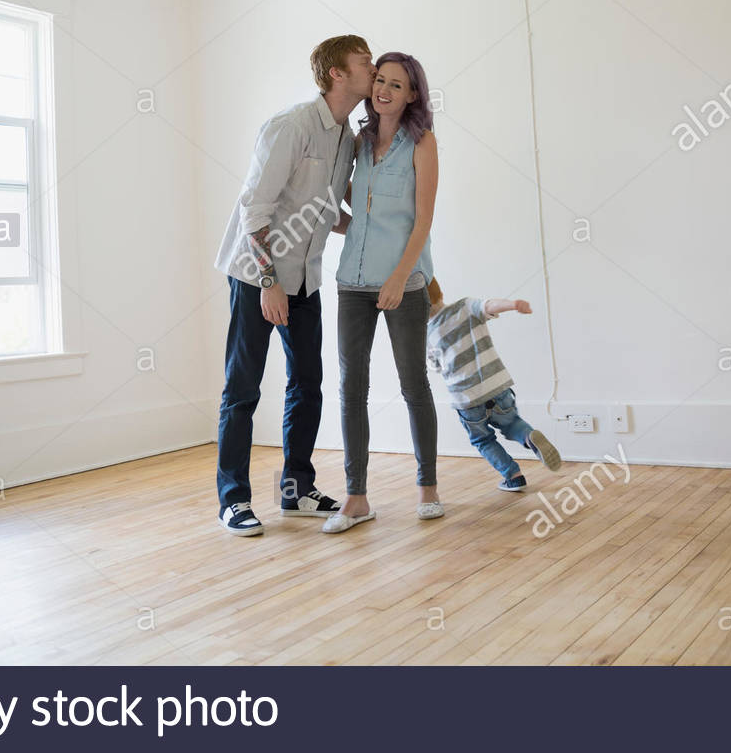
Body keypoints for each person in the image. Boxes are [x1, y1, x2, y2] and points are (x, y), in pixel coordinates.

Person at [211, 35, 376, 535]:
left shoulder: (348, 138)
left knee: (307, 385)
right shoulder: (290, 127)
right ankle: (233, 500)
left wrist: (374, 224)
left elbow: (327, 210)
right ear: (337, 74)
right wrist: (268, 283)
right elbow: (254, 209)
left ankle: (296, 491)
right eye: (365, 62)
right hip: (256, 277)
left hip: (306, 277)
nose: (373, 68)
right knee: (242, 390)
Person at [322, 52, 439, 534]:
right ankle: (356, 499)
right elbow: (355, 207)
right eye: (380, 81)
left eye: (397, 84)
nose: (384, 90)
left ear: (412, 93)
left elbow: (423, 220)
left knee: (414, 385)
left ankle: (428, 487)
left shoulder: (423, 142)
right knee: (352, 388)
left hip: (403, 282)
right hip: (352, 281)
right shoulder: (359, 141)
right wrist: (335, 222)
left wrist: (397, 279)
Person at [425, 277, 562, 490]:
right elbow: (489, 305)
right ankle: (527, 436)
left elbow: (435, 367)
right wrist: (514, 304)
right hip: (497, 385)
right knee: (512, 423)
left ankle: (513, 476)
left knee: (483, 441)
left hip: (466, 398)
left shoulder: (427, 335)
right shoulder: (465, 306)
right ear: (439, 292)